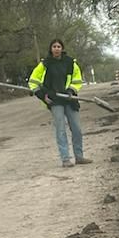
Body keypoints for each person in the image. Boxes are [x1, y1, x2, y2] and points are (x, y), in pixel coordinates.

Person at [28, 39, 90, 168]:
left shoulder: (70, 63)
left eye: (59, 46)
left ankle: (79, 156)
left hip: (70, 100)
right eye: (54, 46)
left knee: (77, 129)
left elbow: (77, 80)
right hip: (55, 101)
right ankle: (65, 159)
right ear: (51, 49)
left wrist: (71, 90)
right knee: (60, 130)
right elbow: (33, 81)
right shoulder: (45, 64)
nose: (56, 48)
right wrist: (41, 95)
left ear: (62, 48)